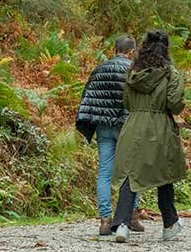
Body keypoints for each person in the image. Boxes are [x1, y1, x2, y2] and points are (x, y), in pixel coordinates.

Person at [110, 30, 187, 243]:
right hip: (160, 128)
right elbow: (175, 104)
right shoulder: (171, 73)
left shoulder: (133, 73)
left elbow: (126, 102)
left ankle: (122, 225)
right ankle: (170, 224)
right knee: (165, 175)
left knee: (130, 174)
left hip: (133, 126)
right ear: (166, 51)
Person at [76, 35, 143, 237]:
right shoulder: (132, 71)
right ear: (131, 52)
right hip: (126, 127)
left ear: (115, 50)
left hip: (103, 128)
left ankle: (105, 221)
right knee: (131, 171)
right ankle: (130, 216)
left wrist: (89, 124)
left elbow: (87, 100)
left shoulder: (98, 70)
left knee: (104, 172)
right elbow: (138, 101)